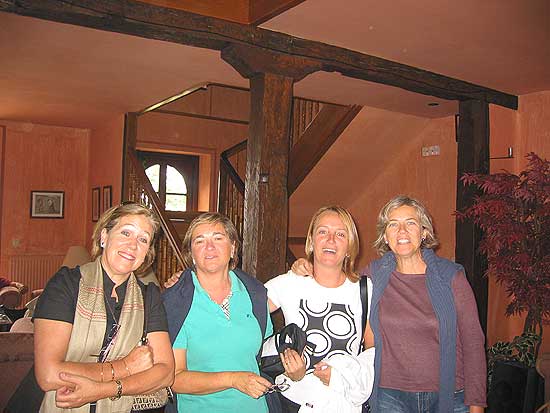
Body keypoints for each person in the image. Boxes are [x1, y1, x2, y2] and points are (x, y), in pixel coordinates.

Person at [295, 196, 487, 413]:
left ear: (424, 232)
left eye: (410, 223)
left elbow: (473, 343)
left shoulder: (451, 276)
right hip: (390, 397)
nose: (402, 231)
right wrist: (305, 266)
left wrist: (477, 405)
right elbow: (335, 282)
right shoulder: (374, 275)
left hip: (449, 395)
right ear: (385, 236)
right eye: (393, 224)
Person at [14, 202, 175, 412]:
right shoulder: (66, 284)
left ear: (147, 253)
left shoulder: (149, 297)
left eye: (143, 239)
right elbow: (49, 375)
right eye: (126, 232)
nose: (133, 245)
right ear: (104, 236)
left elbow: (165, 373)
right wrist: (125, 367)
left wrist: (102, 390)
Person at [266, 206, 375, 412]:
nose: (330, 239)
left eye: (340, 234)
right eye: (323, 231)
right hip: (293, 403)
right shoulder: (289, 283)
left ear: (350, 246)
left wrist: (341, 378)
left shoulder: (365, 289)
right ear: (311, 241)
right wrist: (283, 362)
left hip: (343, 404)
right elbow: (245, 315)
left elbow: (371, 352)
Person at [162, 212, 274, 413]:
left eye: (218, 238)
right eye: (200, 241)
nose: (209, 247)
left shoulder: (255, 294)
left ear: (233, 248)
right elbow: (174, 378)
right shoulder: (176, 302)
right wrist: (232, 379)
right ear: (191, 254)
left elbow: (267, 353)